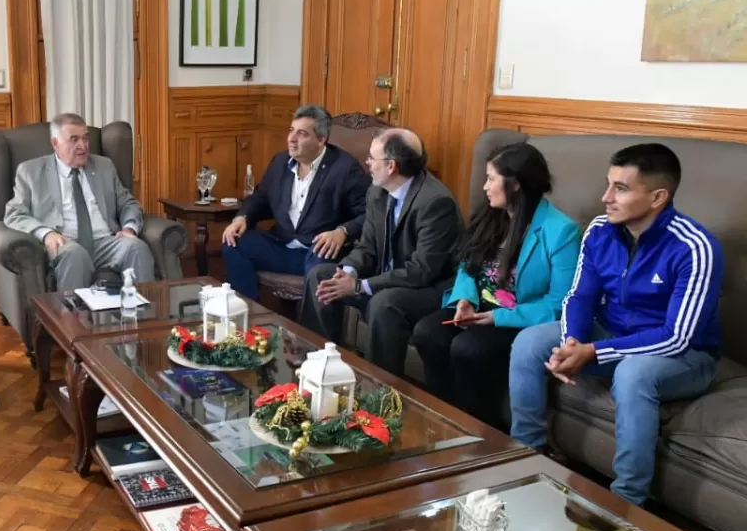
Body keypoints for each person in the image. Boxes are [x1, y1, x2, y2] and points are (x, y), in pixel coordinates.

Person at [508, 143, 722, 506]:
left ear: (657, 197)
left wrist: (594, 352)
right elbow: (579, 297)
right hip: (610, 335)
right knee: (530, 342)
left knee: (633, 375)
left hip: (685, 357)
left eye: (620, 189)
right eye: (608, 185)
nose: (605, 197)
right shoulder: (599, 229)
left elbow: (676, 336)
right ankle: (527, 455)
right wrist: (573, 342)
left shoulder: (695, 246)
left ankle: (627, 501)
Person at [410, 143, 580, 430]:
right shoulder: (491, 213)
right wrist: (466, 299)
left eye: (491, 178)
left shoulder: (561, 231)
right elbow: (468, 263)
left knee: (469, 348)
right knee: (427, 332)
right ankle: (441, 420)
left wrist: (497, 317)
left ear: (515, 184)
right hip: (480, 307)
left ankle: (479, 431)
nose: (485, 186)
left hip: (518, 318)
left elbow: (559, 303)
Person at [302, 128, 463, 378]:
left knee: (383, 303)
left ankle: (379, 389)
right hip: (388, 278)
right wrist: (346, 273)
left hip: (429, 289)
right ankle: (320, 367)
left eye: (371, 158)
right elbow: (367, 247)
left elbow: (422, 271)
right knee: (321, 276)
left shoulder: (435, 202)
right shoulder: (376, 191)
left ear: (391, 166)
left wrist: (359, 286)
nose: (366, 163)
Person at [221, 105, 369, 300]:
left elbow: (369, 213)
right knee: (233, 242)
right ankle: (250, 312)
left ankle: (308, 329)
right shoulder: (280, 161)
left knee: (321, 268)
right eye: (291, 131)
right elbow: (260, 197)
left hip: (319, 250)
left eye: (302, 134)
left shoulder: (345, 168)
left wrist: (342, 232)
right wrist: (242, 217)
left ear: (321, 140)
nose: (292, 138)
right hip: (282, 245)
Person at [3, 112, 155, 291]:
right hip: (65, 242)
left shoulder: (104, 166)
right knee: (75, 255)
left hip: (105, 241)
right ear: (55, 144)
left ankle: (146, 313)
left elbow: (128, 203)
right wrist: (46, 234)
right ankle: (71, 317)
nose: (82, 146)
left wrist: (129, 228)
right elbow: (15, 213)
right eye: (73, 140)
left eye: (85, 139)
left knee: (136, 247)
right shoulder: (31, 171)